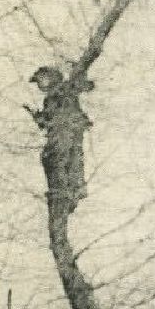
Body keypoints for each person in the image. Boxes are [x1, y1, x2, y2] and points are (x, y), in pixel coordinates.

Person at [30, 65, 96, 211]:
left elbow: (83, 86)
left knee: (67, 159)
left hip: (67, 132)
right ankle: (67, 192)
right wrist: (39, 117)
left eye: (41, 80)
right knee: (61, 159)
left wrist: (80, 80)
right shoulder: (48, 100)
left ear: (50, 78)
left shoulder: (64, 89)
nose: (39, 84)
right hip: (61, 133)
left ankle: (72, 191)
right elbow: (48, 120)